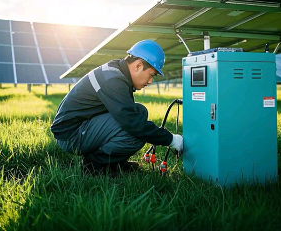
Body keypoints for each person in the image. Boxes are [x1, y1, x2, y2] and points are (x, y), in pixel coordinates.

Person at [51, 40, 184, 174]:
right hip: (71, 135)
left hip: (80, 126)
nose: (150, 81)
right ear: (138, 65)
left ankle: (115, 164)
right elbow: (132, 123)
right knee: (135, 130)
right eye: (151, 75)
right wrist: (172, 140)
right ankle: (93, 166)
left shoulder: (116, 71)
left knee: (140, 111)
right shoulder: (113, 79)